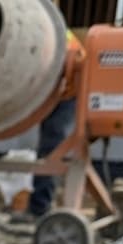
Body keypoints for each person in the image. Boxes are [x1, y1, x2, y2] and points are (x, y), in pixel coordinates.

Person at [28, 29, 84, 218]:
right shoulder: (51, 31)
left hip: (67, 91)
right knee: (50, 145)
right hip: (60, 87)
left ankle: (40, 207)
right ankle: (39, 204)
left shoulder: (48, 35)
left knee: (51, 144)